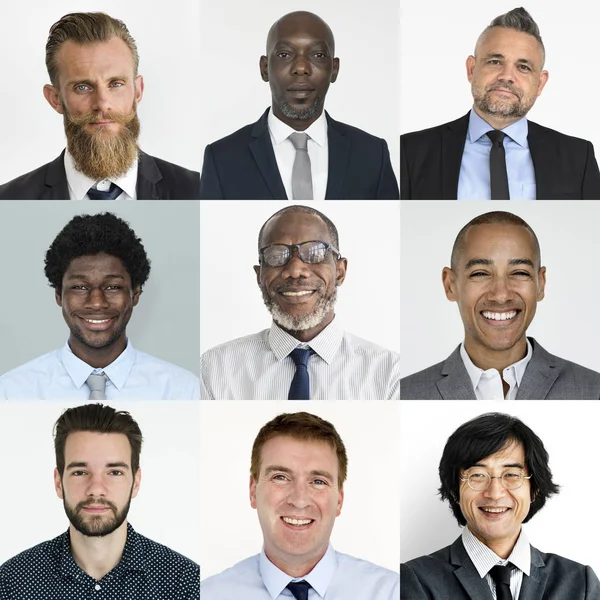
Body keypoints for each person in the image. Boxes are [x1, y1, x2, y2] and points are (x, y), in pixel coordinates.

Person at [0, 403, 200, 598]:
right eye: (80, 472)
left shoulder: (185, 584)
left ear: (136, 482)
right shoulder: (12, 583)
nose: (96, 488)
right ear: (58, 482)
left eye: (114, 472)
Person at [201, 205, 400, 399]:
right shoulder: (215, 370)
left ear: (340, 271)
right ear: (259, 275)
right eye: (276, 255)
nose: (295, 270)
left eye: (315, 253)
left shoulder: (389, 374)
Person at [400, 7, 600, 200]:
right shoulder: (411, 151)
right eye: (495, 61)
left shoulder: (578, 158)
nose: (507, 76)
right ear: (471, 69)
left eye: (523, 67)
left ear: (540, 83)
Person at [199, 11, 399, 200]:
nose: (301, 68)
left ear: (334, 69)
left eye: (318, 55)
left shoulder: (372, 155)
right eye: (284, 54)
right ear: (264, 68)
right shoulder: (222, 159)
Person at [401, 211, 600, 399]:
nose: (501, 295)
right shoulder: (405, 392)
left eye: (520, 273)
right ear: (450, 285)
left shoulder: (593, 390)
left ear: (541, 284)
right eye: (480, 273)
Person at [0, 12, 200, 200]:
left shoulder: (198, 193)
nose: (103, 103)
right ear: (55, 99)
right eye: (83, 87)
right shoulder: (8, 203)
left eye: (116, 84)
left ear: (138, 90)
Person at [0, 212, 200, 399]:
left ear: (135, 293)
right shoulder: (12, 392)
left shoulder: (182, 390)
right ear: (59, 295)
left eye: (113, 286)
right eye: (79, 287)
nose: (97, 302)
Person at [401, 412, 600, 599]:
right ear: (455, 490)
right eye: (477, 475)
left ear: (534, 490)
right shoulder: (415, 579)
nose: (495, 493)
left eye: (511, 475)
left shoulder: (580, 583)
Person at [202, 411, 398, 599]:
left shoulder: (391, 592)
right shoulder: (208, 594)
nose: (299, 500)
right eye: (280, 477)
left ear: (339, 500)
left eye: (318, 481)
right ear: (253, 490)